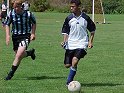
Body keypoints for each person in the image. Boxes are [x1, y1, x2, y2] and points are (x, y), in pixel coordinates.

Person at [61, 0, 96, 85]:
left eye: (73, 6)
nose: (71, 8)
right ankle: (73, 68)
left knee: (75, 60)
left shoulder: (85, 18)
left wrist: (90, 42)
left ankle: (69, 82)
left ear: (78, 7)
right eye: (70, 6)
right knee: (67, 65)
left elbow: (92, 30)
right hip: (71, 44)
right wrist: (64, 41)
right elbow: (66, 31)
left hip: (82, 43)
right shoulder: (69, 18)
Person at [5, 0, 36, 80]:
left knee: (19, 55)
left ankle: (10, 75)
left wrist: (33, 33)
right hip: (15, 37)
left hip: (25, 35)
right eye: (14, 7)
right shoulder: (11, 13)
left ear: (21, 6)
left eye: (17, 7)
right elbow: (7, 24)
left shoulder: (28, 14)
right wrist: (7, 36)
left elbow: (34, 23)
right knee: (19, 55)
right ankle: (30, 53)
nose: (15, 9)